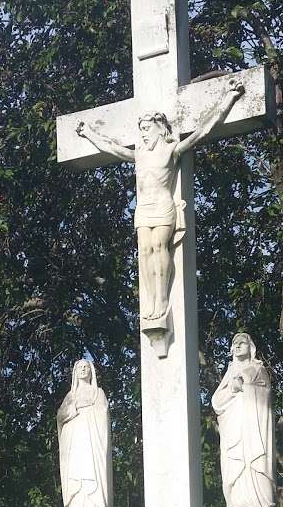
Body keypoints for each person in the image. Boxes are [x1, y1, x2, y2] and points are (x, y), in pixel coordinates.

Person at [76, 81, 246, 327]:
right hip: (143, 210)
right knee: (144, 252)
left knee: (158, 246)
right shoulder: (139, 154)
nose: (143, 133)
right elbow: (112, 148)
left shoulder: (171, 150)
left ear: (159, 128)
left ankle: (163, 299)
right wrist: (89, 132)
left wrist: (228, 97)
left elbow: (202, 130)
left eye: (146, 128)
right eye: (141, 128)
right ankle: (152, 301)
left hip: (164, 206)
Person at [211, 332, 280, 507]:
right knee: (236, 467)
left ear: (251, 348)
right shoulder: (229, 373)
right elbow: (217, 402)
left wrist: (245, 387)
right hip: (234, 432)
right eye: (235, 343)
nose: (239, 346)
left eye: (243, 343)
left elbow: (266, 397)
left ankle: (263, 504)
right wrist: (233, 390)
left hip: (254, 431)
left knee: (256, 465)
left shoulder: (258, 369)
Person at [56, 358, 116, 507]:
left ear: (91, 371)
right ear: (75, 373)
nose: (83, 370)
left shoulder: (98, 393)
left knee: (92, 475)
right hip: (74, 442)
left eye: (86, 367)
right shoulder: (70, 396)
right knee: (76, 478)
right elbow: (60, 417)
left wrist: (89, 411)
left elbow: (103, 414)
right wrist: (74, 410)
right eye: (79, 367)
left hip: (91, 441)